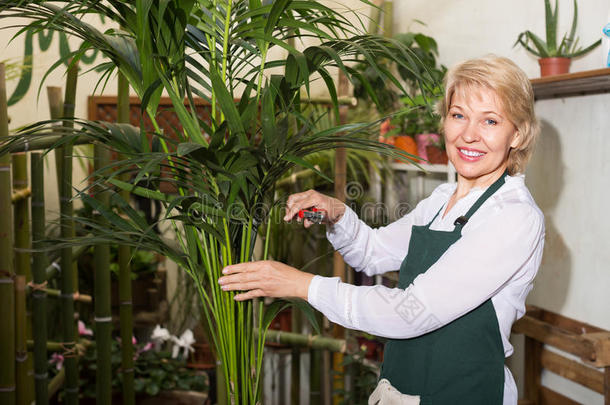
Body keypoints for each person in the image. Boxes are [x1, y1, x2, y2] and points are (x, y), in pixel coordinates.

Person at [218, 55, 545, 405]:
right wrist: (338, 214)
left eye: (490, 121)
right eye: (458, 115)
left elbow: (412, 312)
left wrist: (302, 285)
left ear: (519, 133)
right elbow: (373, 253)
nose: (468, 134)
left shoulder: (514, 217)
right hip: (403, 390)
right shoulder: (441, 199)